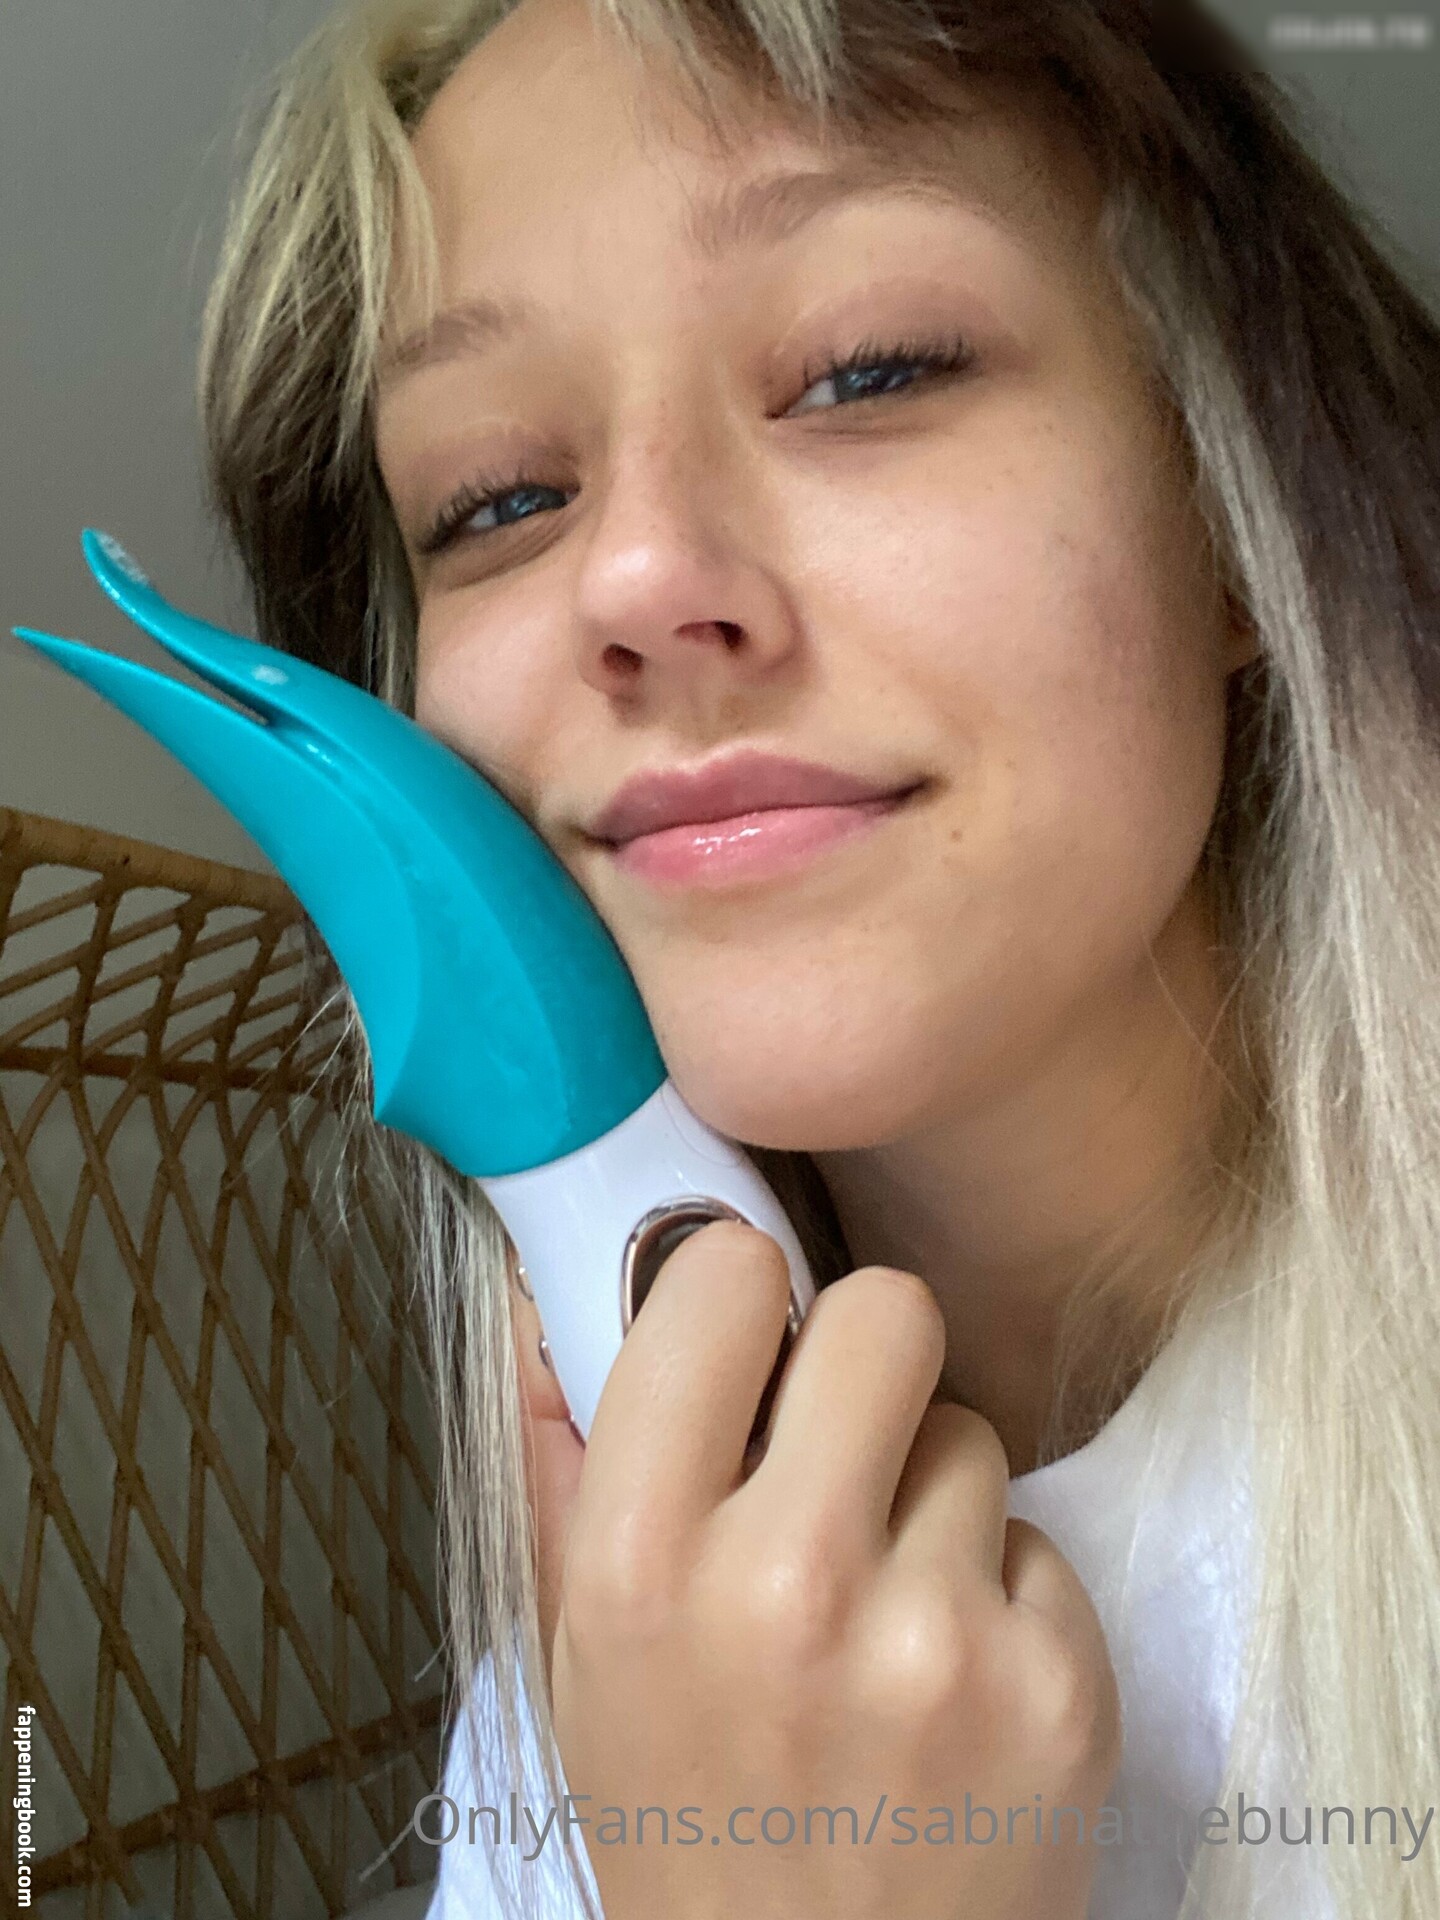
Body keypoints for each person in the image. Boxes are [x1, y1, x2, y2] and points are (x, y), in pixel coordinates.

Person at [197, 0, 1440, 1914]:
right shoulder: (613, 1602)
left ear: (1237, 502)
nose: (633, 579)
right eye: (498, 500)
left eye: (867, 369)